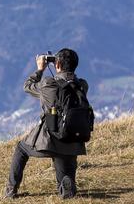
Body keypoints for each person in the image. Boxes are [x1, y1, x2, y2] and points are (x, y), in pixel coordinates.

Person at [5, 48, 88, 199]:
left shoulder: (48, 84)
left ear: (57, 65)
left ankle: (11, 191)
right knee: (65, 170)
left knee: (21, 149)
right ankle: (66, 187)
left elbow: (27, 86)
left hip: (49, 139)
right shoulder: (82, 85)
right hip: (73, 141)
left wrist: (40, 69)